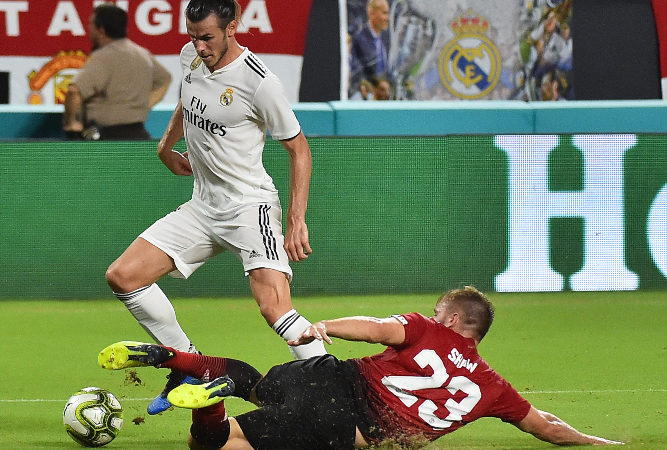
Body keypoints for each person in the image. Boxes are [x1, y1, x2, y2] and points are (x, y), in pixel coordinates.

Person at [103, 0, 326, 415]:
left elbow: (299, 150)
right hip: (202, 207)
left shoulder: (259, 82)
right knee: (124, 276)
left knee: (274, 307)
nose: (200, 46)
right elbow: (188, 101)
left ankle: (336, 387)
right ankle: (191, 366)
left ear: (231, 27)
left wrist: (296, 220)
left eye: (207, 37)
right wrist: (165, 144)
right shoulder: (192, 58)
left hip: (249, 208)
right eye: (193, 37)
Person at [98, 287, 623, 449]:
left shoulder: (426, 327)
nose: (434, 313)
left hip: (326, 375)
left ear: (457, 319)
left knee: (255, 379)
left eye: (441, 310)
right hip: (342, 424)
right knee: (208, 445)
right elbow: (547, 427)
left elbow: (375, 327)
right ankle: (209, 403)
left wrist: (326, 325)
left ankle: (186, 364)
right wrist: (602, 444)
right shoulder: (493, 389)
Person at [63, 3, 171, 140]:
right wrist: (142, 106)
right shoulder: (142, 54)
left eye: (91, 24)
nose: (88, 28)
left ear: (101, 30)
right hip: (139, 135)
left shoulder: (103, 57)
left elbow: (74, 91)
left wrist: (70, 122)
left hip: (106, 139)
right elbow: (165, 79)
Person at [349, 0, 391, 96]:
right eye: (384, 13)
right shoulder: (360, 39)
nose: (388, 18)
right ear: (372, 14)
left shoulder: (386, 38)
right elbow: (355, 72)